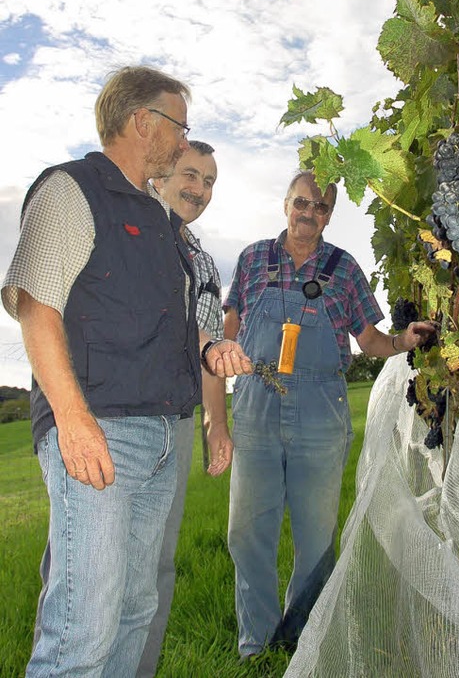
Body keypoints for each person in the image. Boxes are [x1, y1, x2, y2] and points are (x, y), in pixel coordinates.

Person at [1, 66, 251, 677]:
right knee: (82, 629)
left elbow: (175, 331)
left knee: (135, 613)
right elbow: (36, 305)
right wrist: (73, 421)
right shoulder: (72, 189)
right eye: (179, 125)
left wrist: (210, 353)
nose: (183, 138)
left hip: (163, 437)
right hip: (101, 436)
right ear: (143, 122)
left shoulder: (167, 229)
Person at [223, 170, 436, 658]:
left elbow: (369, 339)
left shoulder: (344, 268)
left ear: (330, 215)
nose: (309, 213)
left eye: (320, 207)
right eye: (302, 202)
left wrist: (403, 342)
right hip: (256, 400)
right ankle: (256, 641)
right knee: (247, 528)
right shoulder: (253, 258)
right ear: (286, 204)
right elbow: (230, 324)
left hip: (321, 409)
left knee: (316, 535)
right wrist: (221, 362)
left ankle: (303, 637)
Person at [137, 139, 232, 678]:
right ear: (161, 175)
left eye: (210, 181)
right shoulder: (128, 233)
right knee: (91, 578)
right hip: (115, 417)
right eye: (191, 175)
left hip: (173, 425)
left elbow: (211, 347)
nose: (200, 189)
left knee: (156, 572)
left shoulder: (202, 259)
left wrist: (215, 424)